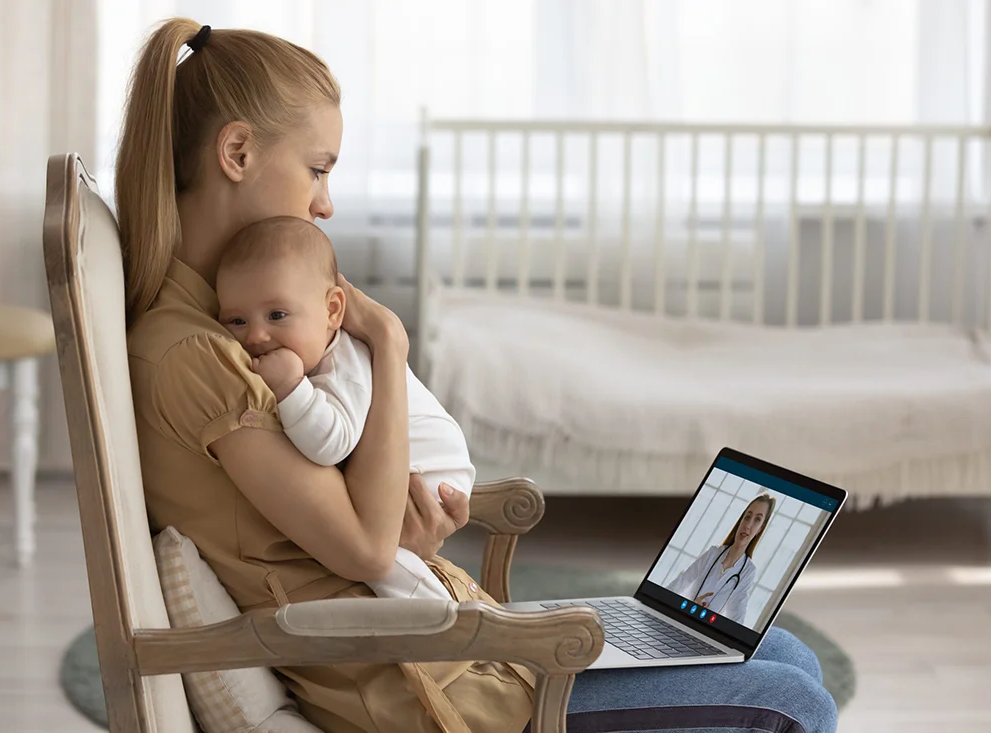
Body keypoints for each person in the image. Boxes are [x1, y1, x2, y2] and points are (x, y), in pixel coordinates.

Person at [120, 18, 838, 733]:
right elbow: (368, 547)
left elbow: (352, 518)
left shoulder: (229, 328)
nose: (325, 203)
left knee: (782, 654)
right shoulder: (194, 353)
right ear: (238, 151)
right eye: (318, 167)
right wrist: (389, 346)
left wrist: (407, 525)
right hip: (428, 689)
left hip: (449, 643)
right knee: (795, 698)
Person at [215, 215, 475, 602]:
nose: (255, 336)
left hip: (428, 472)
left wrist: (290, 388)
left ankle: (435, 609)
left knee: (387, 566)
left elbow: (331, 444)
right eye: (236, 320)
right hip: (411, 465)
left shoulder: (344, 367)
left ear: (333, 310)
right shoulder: (317, 355)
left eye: (277, 315)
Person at [667, 494, 776, 624]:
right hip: (681, 620)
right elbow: (680, 583)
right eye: (747, 517)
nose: (748, 525)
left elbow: (737, 616)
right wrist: (689, 606)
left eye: (757, 520)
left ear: (761, 528)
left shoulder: (748, 571)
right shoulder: (713, 553)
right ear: (740, 520)